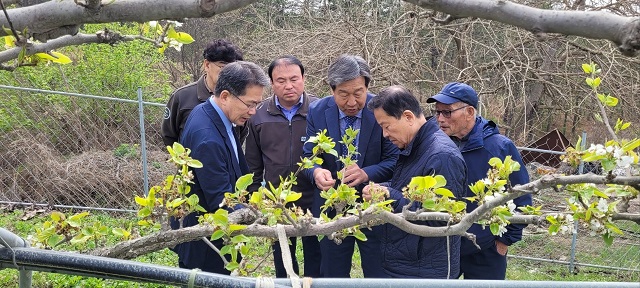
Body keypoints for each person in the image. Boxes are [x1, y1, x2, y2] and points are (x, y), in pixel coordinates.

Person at [301, 54, 399, 278]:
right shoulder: (317, 111)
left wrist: (366, 173)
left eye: (358, 93)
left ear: (367, 87)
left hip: (373, 204)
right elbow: (308, 156)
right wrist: (316, 171)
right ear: (332, 89)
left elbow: (395, 161)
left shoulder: (381, 110)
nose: (352, 102)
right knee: (333, 273)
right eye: (343, 95)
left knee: (378, 272)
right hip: (331, 208)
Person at [170, 61, 270, 274]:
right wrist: (262, 214)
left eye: (257, 105)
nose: (253, 112)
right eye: (250, 104)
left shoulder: (213, 113)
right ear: (225, 96)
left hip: (211, 236)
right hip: (207, 244)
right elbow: (221, 201)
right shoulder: (208, 139)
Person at [427, 82, 532, 280]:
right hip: (445, 245)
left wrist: (504, 241)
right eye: (437, 112)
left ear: (469, 111)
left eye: (447, 112)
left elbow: (521, 197)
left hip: (486, 249)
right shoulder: (436, 144)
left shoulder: (499, 147)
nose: (440, 118)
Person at [363, 85, 466, 278]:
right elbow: (408, 191)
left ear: (408, 117)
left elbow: (440, 220)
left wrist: (389, 195)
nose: (385, 134)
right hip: (406, 263)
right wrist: (384, 189)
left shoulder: (441, 155)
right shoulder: (414, 147)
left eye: (387, 126)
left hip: (425, 272)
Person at [244, 56, 321, 277]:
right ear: (271, 83)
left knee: (316, 255)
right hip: (277, 200)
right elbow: (253, 164)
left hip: (313, 197)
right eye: (281, 80)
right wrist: (253, 197)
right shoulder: (258, 115)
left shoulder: (319, 109)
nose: (289, 86)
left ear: (304, 79)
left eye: (294, 79)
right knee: (283, 257)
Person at [161, 39, 246, 147]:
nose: (228, 73)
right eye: (223, 67)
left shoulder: (240, 98)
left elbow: (240, 135)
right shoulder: (182, 97)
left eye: (233, 68)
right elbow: (168, 136)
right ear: (207, 65)